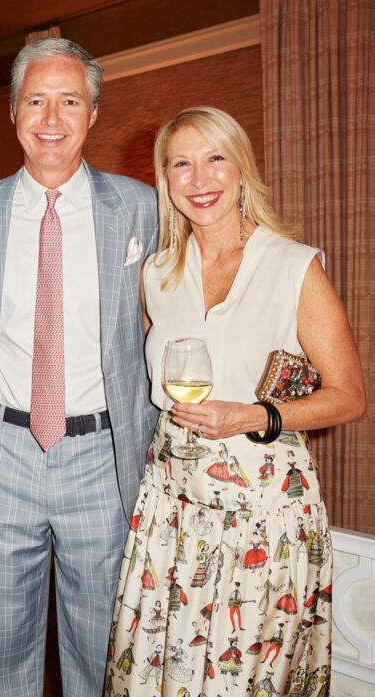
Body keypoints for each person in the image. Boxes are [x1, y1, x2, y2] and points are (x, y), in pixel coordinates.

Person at [104, 106, 366, 695]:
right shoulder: (158, 273)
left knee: (239, 679)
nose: (200, 179)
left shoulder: (292, 267)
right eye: (182, 164)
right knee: (156, 676)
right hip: (171, 508)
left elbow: (349, 397)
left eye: (215, 158)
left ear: (242, 170)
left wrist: (255, 415)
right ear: (165, 180)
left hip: (264, 514)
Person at [0, 38, 158, 696]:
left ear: (93, 114)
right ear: (12, 111)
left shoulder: (143, 209)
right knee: (0, 645)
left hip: (104, 454)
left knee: (98, 648)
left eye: (70, 100)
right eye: (36, 99)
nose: (51, 116)